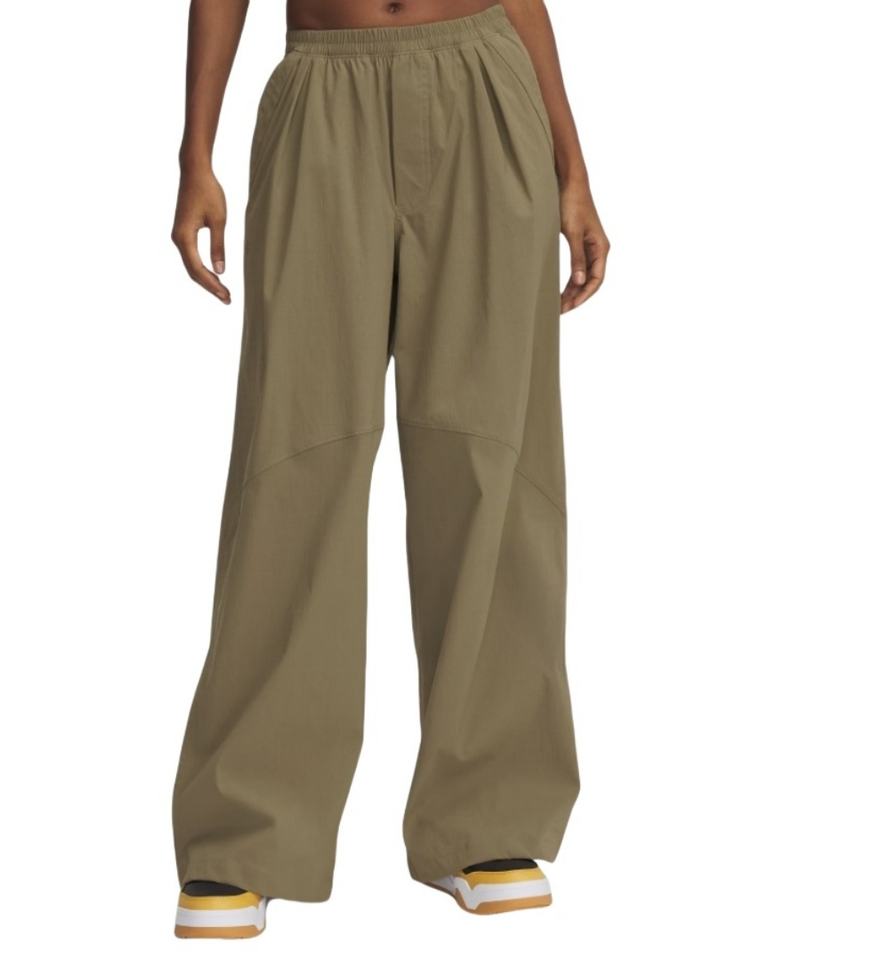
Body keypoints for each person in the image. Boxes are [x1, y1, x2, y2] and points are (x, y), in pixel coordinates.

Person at [170, 0, 609, 938]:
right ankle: (247, 833)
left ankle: (486, 816)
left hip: (485, 85)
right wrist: (194, 154)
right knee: (293, 462)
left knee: (492, 459)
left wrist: (572, 168)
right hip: (322, 89)